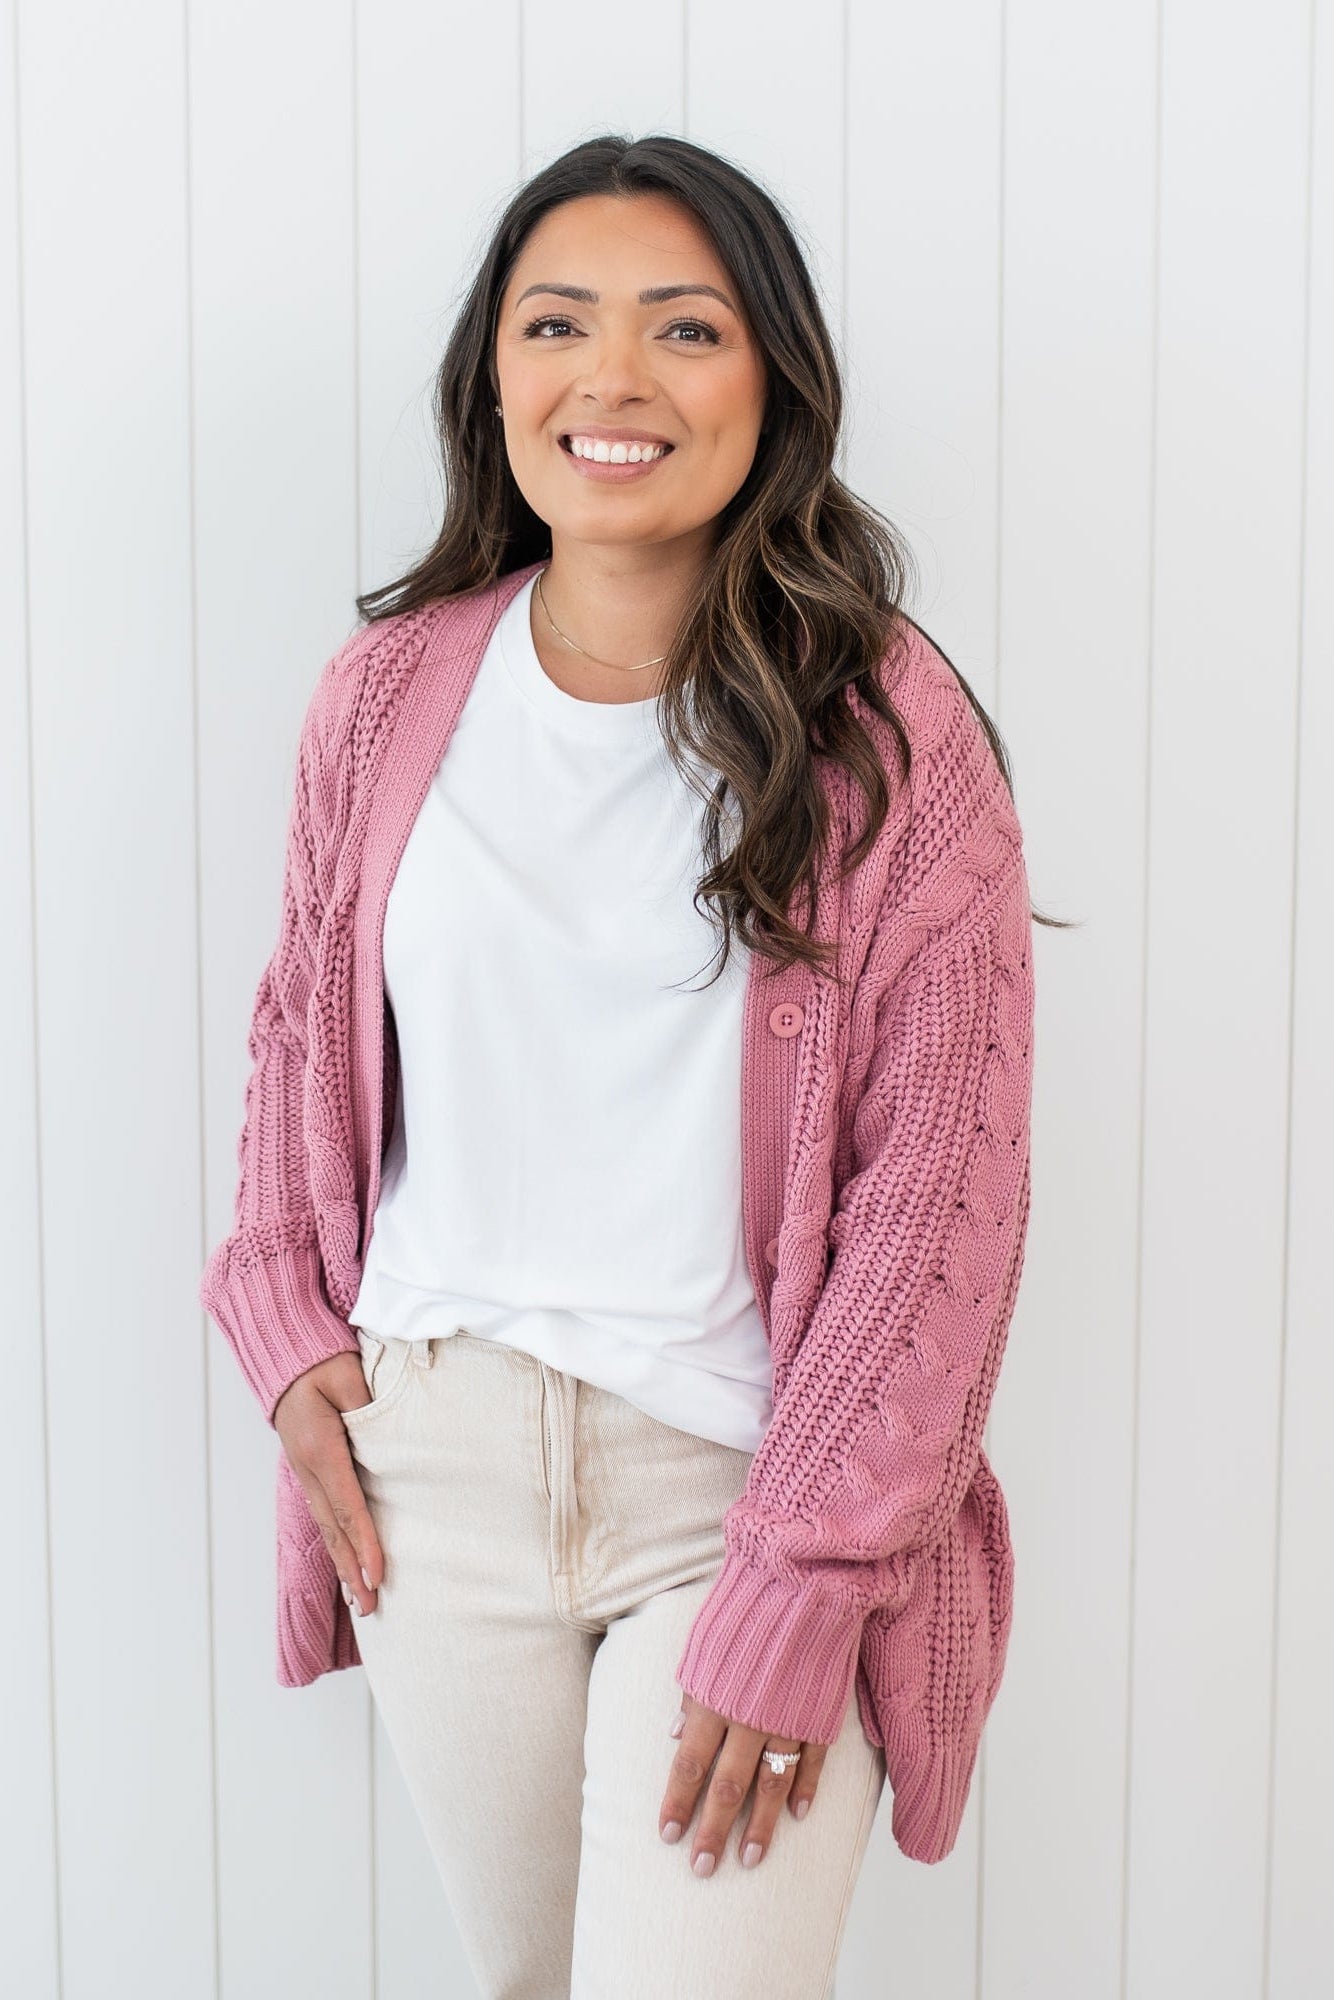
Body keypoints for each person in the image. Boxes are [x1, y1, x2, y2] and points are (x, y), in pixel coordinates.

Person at [200, 132, 1052, 1999]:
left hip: (738, 1486)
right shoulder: (387, 696)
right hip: (435, 1476)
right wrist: (281, 1326)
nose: (613, 380)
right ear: (491, 377)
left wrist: (807, 1577)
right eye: (556, 324)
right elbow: (297, 1036)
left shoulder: (889, 738)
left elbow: (935, 1203)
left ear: (774, 382)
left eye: (686, 329)